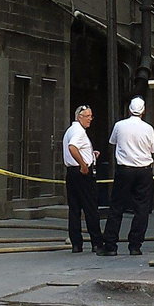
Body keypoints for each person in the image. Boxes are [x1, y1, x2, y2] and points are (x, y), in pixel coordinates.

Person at [98, 96, 154, 257]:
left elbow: (113, 143)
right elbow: (152, 149)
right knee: (142, 208)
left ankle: (110, 245)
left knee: (117, 206)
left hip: (124, 169)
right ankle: (135, 246)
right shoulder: (148, 128)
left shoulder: (119, 126)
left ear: (130, 109)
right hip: (144, 170)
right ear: (143, 111)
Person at [62, 105, 102, 253]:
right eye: (87, 116)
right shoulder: (78, 132)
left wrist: (91, 155)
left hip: (71, 173)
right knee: (90, 208)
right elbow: (73, 147)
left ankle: (76, 243)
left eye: (91, 116)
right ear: (79, 117)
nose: (90, 119)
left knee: (74, 209)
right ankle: (96, 242)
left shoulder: (70, 130)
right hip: (82, 174)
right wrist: (83, 164)